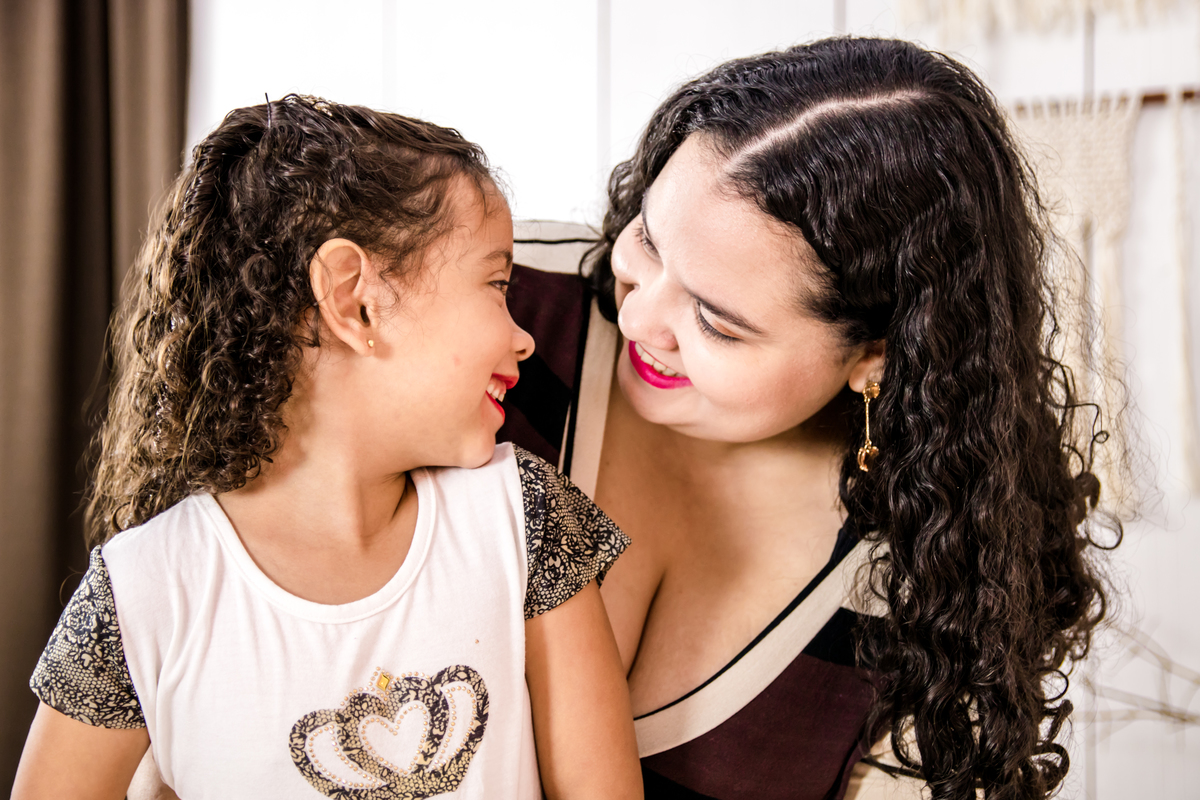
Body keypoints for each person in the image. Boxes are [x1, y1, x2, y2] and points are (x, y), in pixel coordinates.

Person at [499, 37, 1116, 799]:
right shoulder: (485, 307)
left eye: (717, 323)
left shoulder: (931, 591)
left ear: (875, 359)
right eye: (649, 243)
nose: (640, 318)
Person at [13, 96, 642, 800]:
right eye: (496, 285)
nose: (523, 336)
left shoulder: (522, 519)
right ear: (354, 298)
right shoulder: (139, 597)